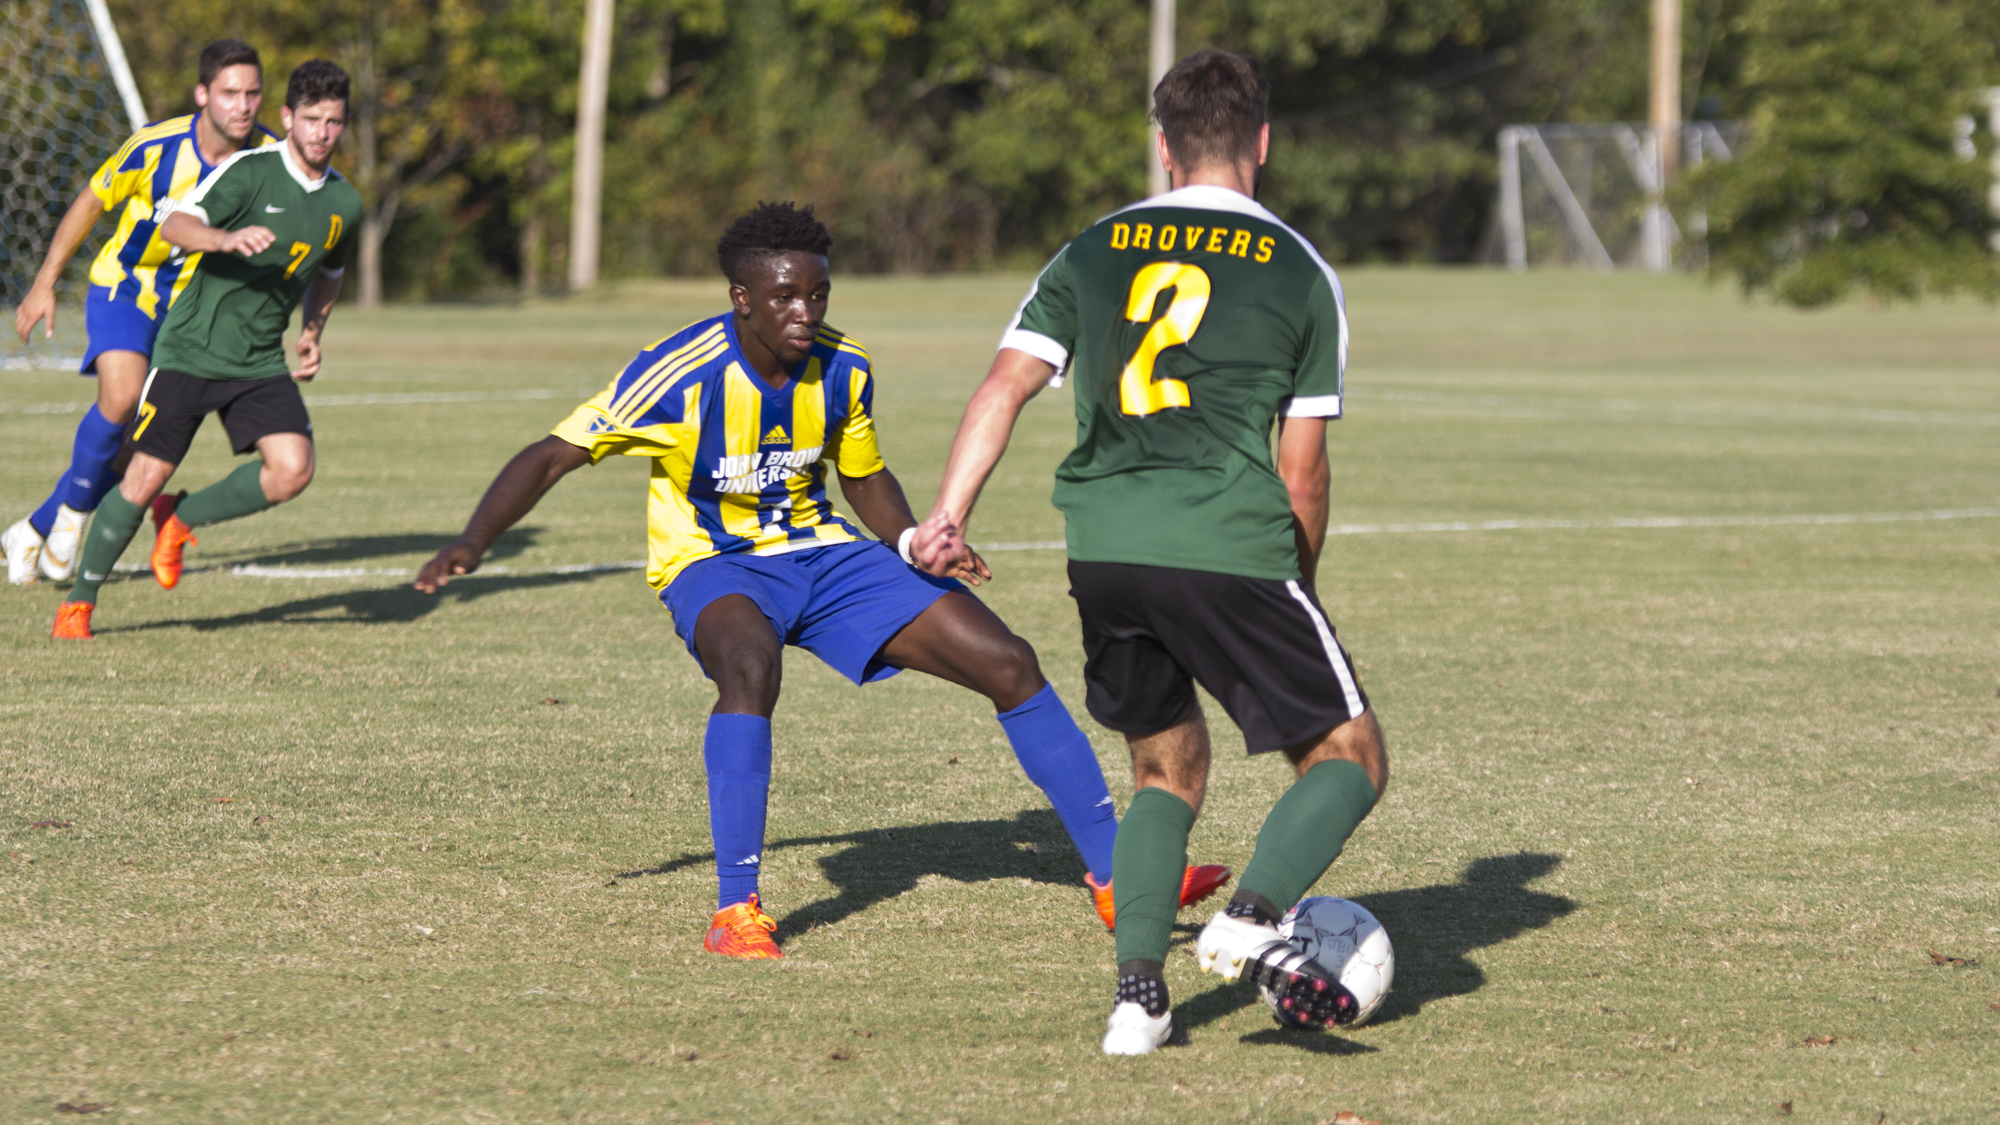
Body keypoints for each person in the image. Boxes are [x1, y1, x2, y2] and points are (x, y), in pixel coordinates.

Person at [414, 202, 1228, 960]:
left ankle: (1119, 879)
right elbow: (555, 451)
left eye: (818, 292)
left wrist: (913, 539)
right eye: (787, 296)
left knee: (1008, 659)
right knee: (748, 668)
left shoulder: (844, 366)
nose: (807, 310)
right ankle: (738, 911)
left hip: (827, 556)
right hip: (714, 563)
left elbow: (863, 476)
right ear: (742, 297)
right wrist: (473, 540)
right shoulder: (679, 372)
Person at [912, 49, 1390, 1055]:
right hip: (1226, 543)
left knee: (1162, 772)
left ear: (1164, 148)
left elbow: (999, 390)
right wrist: (1292, 581)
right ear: (1260, 141)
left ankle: (1138, 999)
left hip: (1104, 550)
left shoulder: (1089, 248)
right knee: (1348, 755)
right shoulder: (1302, 270)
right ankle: (1253, 918)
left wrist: (943, 517)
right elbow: (1301, 472)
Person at [51, 60, 362, 640]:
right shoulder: (249, 172)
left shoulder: (345, 203)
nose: (322, 132)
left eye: (334, 122)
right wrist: (224, 238)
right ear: (289, 118)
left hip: (259, 360)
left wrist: (313, 330)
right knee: (140, 481)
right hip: (191, 349)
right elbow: (176, 226)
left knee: (292, 470)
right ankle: (79, 602)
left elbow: (331, 271)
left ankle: (181, 517)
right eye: (312, 119)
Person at [5, 39, 279, 587]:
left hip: (195, 318)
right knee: (123, 396)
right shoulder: (155, 146)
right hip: (125, 290)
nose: (242, 105)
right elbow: (91, 200)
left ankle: (30, 530)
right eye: (229, 93)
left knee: (140, 446)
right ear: (203, 94)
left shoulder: (270, 159)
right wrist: (44, 281)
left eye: (252, 93)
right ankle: (70, 522)